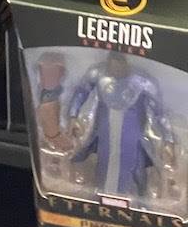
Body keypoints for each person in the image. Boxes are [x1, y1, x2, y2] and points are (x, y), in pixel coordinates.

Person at [67, 52, 175, 197]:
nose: (116, 69)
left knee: (137, 172)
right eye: (112, 65)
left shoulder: (142, 81)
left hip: (133, 137)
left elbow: (159, 112)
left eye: (120, 64)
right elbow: (81, 92)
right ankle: (101, 199)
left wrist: (168, 139)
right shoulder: (98, 73)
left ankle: (140, 203)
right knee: (103, 169)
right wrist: (73, 116)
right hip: (105, 134)